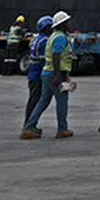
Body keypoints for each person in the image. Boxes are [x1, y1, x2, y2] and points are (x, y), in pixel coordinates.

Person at [20, 10, 75, 140]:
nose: (69, 24)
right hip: (55, 73)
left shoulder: (52, 37)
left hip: (46, 73)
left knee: (43, 101)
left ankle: (29, 126)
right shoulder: (60, 38)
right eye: (67, 22)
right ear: (62, 24)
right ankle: (62, 129)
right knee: (62, 101)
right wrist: (58, 74)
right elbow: (56, 55)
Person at [23, 15, 52, 127]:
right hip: (37, 74)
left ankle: (29, 122)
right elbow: (46, 57)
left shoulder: (36, 39)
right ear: (45, 28)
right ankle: (29, 124)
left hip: (33, 73)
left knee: (33, 100)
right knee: (36, 100)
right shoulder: (45, 40)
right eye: (50, 26)